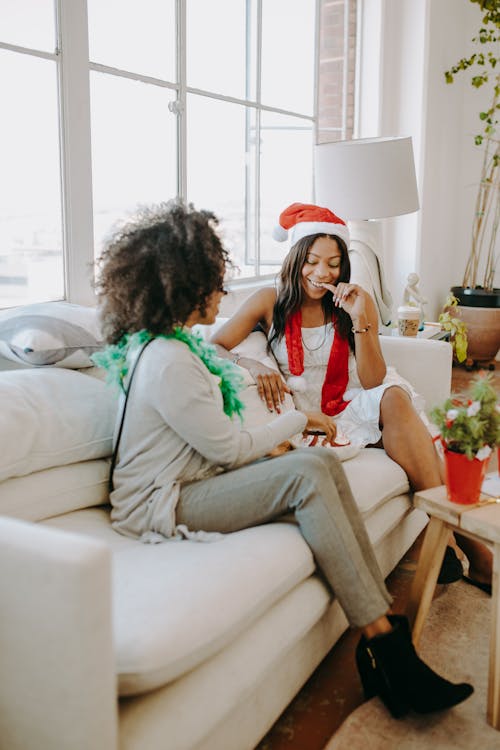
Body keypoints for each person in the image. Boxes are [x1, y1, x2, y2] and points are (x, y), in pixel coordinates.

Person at [94, 200, 472, 719]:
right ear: (184, 285)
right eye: (214, 281)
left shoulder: (174, 346)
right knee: (307, 469)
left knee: (315, 469)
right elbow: (227, 448)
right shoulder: (167, 361)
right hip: (160, 503)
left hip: (188, 479)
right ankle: (388, 649)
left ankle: (382, 641)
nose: (223, 293)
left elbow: (216, 435)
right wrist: (299, 422)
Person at [211, 202, 493, 591]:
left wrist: (361, 320)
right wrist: (253, 365)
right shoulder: (268, 300)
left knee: (394, 396)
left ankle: (453, 538)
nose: (322, 273)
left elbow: (374, 379)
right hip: (306, 417)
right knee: (396, 408)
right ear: (295, 259)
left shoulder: (354, 303)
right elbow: (214, 348)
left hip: (349, 403)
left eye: (333, 263)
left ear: (344, 266)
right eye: (311, 261)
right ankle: (459, 544)